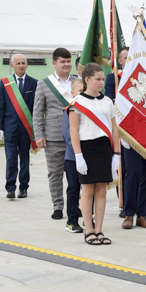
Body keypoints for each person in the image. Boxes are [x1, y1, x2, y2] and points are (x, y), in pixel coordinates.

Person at [69, 63, 121, 245]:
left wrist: (117, 153)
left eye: (103, 79)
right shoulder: (77, 103)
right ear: (87, 79)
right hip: (86, 148)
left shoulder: (108, 101)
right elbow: (73, 131)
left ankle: (99, 230)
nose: (101, 83)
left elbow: (114, 129)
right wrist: (78, 155)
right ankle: (88, 230)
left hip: (104, 148)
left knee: (101, 190)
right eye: (98, 79)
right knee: (88, 190)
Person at [33, 48, 75, 220]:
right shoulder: (43, 84)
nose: (66, 64)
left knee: (76, 174)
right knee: (55, 173)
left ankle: (75, 205)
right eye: (62, 61)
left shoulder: (78, 82)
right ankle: (58, 206)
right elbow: (38, 111)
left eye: (68, 61)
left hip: (75, 136)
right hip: (53, 135)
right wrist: (38, 134)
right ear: (54, 63)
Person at [0, 54, 38, 199]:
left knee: (25, 158)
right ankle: (10, 187)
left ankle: (24, 187)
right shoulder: (5, 82)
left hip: (26, 128)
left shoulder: (34, 83)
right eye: (18, 63)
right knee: (11, 158)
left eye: (23, 63)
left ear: (27, 65)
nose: (21, 66)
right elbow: (0, 105)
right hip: (10, 126)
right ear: (12, 65)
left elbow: (37, 108)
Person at [62, 78, 84, 233]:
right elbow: (68, 135)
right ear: (73, 93)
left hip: (90, 156)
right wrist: (79, 153)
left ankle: (89, 219)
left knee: (90, 190)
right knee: (73, 188)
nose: (83, 93)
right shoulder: (70, 109)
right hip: (73, 157)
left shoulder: (91, 108)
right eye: (80, 91)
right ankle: (71, 221)